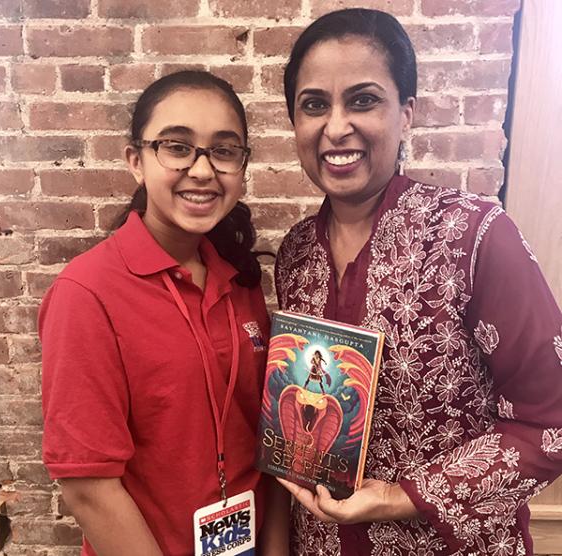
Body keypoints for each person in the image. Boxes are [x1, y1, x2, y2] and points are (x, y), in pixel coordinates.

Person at [273, 8, 562, 556]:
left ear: (406, 113)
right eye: (314, 105)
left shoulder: (474, 236)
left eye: (363, 100)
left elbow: (552, 426)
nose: (336, 127)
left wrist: (399, 496)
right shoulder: (294, 255)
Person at [40, 71, 287, 556]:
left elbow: (269, 446)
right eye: (177, 146)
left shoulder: (239, 282)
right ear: (137, 161)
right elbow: (87, 486)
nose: (201, 170)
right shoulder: (87, 293)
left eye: (224, 150)